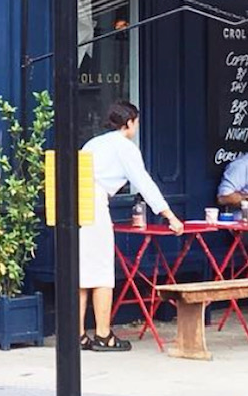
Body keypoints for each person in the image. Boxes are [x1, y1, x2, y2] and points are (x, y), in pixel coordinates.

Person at [79, 100, 183, 353]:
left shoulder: (94, 143)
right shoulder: (124, 147)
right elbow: (143, 182)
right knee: (102, 271)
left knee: (80, 271)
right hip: (94, 202)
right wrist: (169, 215)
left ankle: (77, 333)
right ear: (129, 123)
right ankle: (103, 334)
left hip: (77, 200)